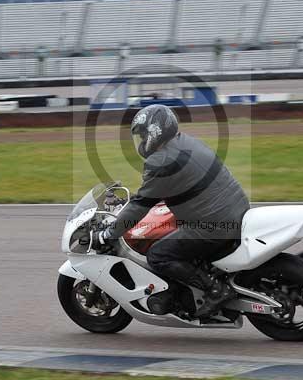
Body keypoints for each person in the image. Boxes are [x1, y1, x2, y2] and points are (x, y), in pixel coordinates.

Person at [97, 104, 250, 317]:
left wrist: (109, 233)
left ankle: (215, 290)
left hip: (215, 224)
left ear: (154, 131)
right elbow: (155, 193)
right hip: (234, 208)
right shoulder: (187, 142)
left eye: (142, 135)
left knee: (159, 254)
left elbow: (141, 205)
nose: (141, 141)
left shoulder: (162, 161)